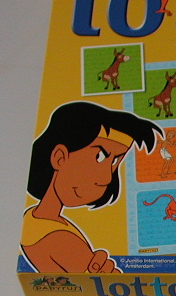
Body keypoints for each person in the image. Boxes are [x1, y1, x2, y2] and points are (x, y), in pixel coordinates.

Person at [22, 101, 162, 273]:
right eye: (100, 156)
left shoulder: (33, 219)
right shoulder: (58, 238)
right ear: (59, 158)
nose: (107, 177)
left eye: (115, 161)